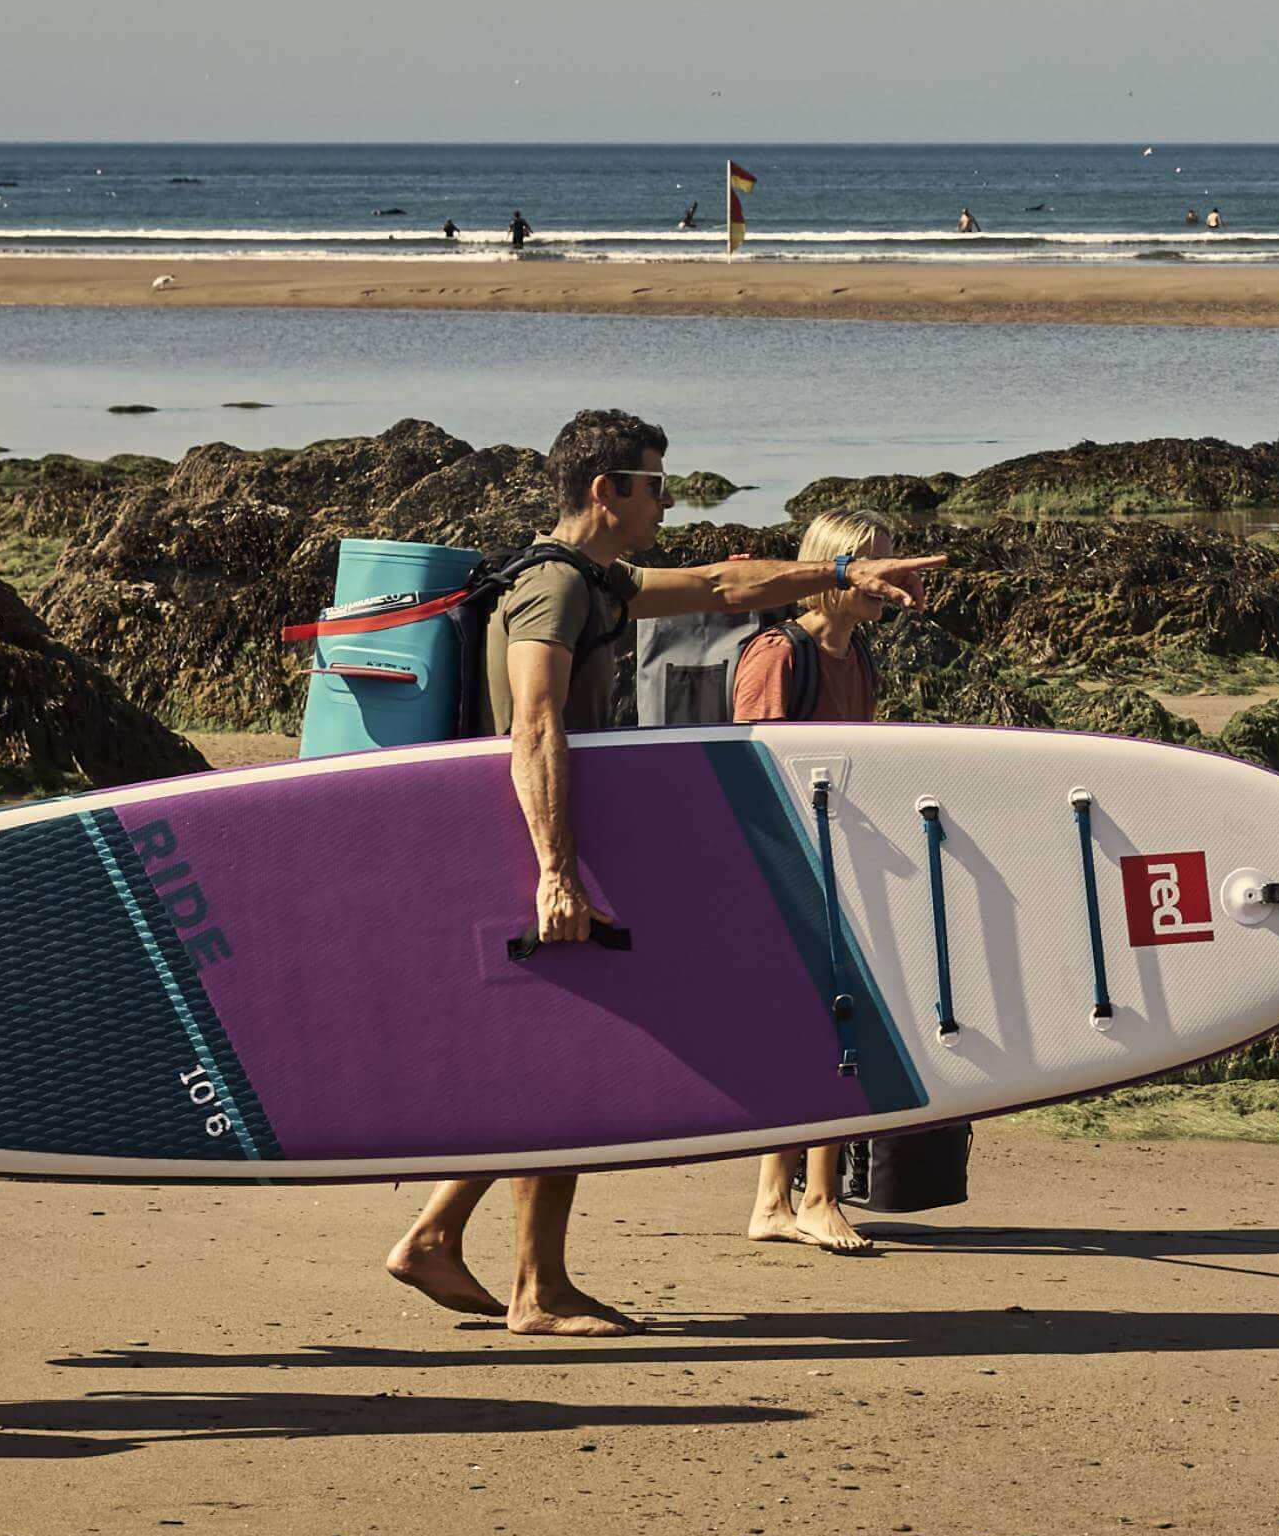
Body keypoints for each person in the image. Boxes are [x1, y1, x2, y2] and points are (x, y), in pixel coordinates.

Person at [382, 417, 941, 1330]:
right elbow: (535, 726)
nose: (668, 500)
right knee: (560, 1068)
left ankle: (438, 1240)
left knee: (551, 1061)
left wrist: (844, 574)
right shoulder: (554, 590)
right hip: (539, 848)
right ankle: (537, 1289)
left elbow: (725, 585)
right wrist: (556, 871)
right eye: (655, 485)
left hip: (567, 842)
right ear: (606, 490)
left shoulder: (596, 581)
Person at [732, 510, 895, 1251]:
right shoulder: (779, 654)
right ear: (831, 567)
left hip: (844, 860)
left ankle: (776, 1200)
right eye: (872, 565)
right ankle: (816, 1197)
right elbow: (752, 773)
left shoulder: (856, 655)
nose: (885, 580)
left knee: (824, 1026)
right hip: (791, 867)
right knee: (833, 1024)